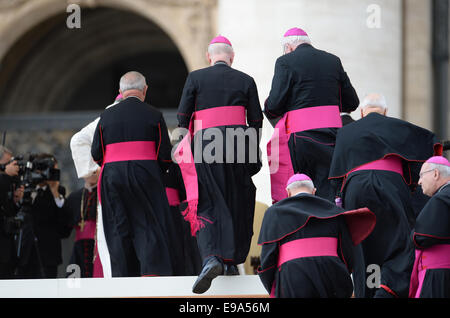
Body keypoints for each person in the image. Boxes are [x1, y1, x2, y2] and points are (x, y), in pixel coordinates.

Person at [328, 93, 442, 298]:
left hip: (357, 189)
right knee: (398, 246)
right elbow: (429, 142)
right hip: (390, 186)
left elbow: (337, 175)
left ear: (361, 113)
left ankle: (368, 292)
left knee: (363, 249)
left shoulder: (346, 132)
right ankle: (387, 290)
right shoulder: (398, 127)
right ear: (386, 112)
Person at [175, 35, 263, 293]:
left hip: (206, 143)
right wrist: (248, 146)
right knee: (236, 198)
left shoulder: (195, 78)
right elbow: (256, 121)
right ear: (232, 58)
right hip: (239, 143)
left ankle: (213, 257)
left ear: (208, 57)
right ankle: (231, 260)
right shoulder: (246, 80)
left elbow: (182, 117)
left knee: (209, 200)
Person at [92, 71, 177, 277]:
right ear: (145, 90)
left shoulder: (106, 115)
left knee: (118, 226)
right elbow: (165, 155)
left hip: (112, 176)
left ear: (120, 91)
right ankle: (151, 276)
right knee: (148, 224)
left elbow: (96, 153)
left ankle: (123, 279)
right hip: (146, 173)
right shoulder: (154, 114)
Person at [264, 27, 359, 204]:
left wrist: (269, 107)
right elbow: (352, 102)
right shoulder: (333, 60)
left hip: (301, 136)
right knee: (329, 188)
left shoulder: (285, 61)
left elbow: (274, 105)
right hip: (332, 136)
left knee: (303, 187)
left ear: (289, 47)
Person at [257, 174, 376, 298]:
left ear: (288, 192)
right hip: (331, 272)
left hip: (293, 276)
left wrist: (275, 286)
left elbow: (267, 259)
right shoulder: (333, 211)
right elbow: (347, 253)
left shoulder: (273, 213)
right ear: (314, 191)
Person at [70, 93, 122, 278]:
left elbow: (78, 141)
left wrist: (95, 170)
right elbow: (77, 141)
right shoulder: (139, 114)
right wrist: (95, 171)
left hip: (112, 183)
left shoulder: (106, 117)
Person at [15, 153, 72, 279]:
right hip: (24, 254)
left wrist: (55, 192)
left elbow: (64, 227)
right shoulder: (25, 190)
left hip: (48, 255)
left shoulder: (58, 191)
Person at [409, 156, 450, 298]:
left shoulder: (441, 198)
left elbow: (420, 237)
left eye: (421, 176)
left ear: (435, 174)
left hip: (438, 276)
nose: (419, 182)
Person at [64, 169, 101, 278]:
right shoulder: (74, 197)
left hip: (99, 248)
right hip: (79, 249)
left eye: (95, 169)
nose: (92, 173)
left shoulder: (104, 193)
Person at [0, 146, 22, 279]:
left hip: (6, 246)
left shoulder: (8, 182)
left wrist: (15, 200)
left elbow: (9, 211)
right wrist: (4, 173)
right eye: (7, 163)